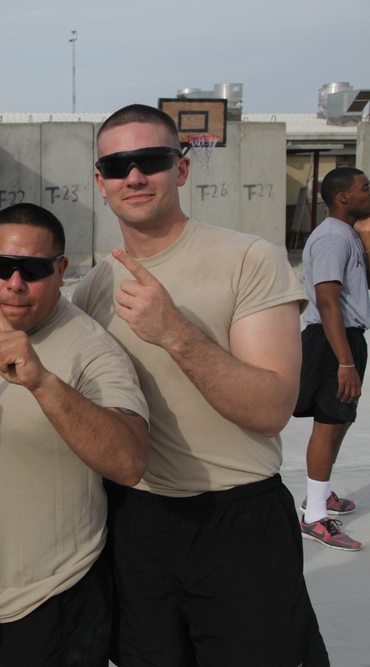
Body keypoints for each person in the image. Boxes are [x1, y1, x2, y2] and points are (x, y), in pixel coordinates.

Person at [71, 103, 328, 666]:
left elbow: (271, 409)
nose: (133, 176)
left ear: (181, 168)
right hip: (136, 525)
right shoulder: (91, 291)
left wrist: (176, 334)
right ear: (100, 182)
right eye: (117, 166)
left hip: (237, 523)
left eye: (151, 160)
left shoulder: (248, 259)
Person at [0, 203, 148, 667]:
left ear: (61, 270)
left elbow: (130, 461)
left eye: (33, 269)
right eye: (0, 266)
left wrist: (42, 382)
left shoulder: (91, 347)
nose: (14, 283)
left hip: (54, 598)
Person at [294, 167, 370, 551]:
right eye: (365, 188)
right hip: (331, 341)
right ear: (343, 197)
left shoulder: (348, 234)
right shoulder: (331, 238)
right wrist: (344, 362)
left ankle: (318, 496)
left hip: (344, 339)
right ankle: (315, 518)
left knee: (339, 420)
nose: (369, 192)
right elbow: (326, 300)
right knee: (328, 423)